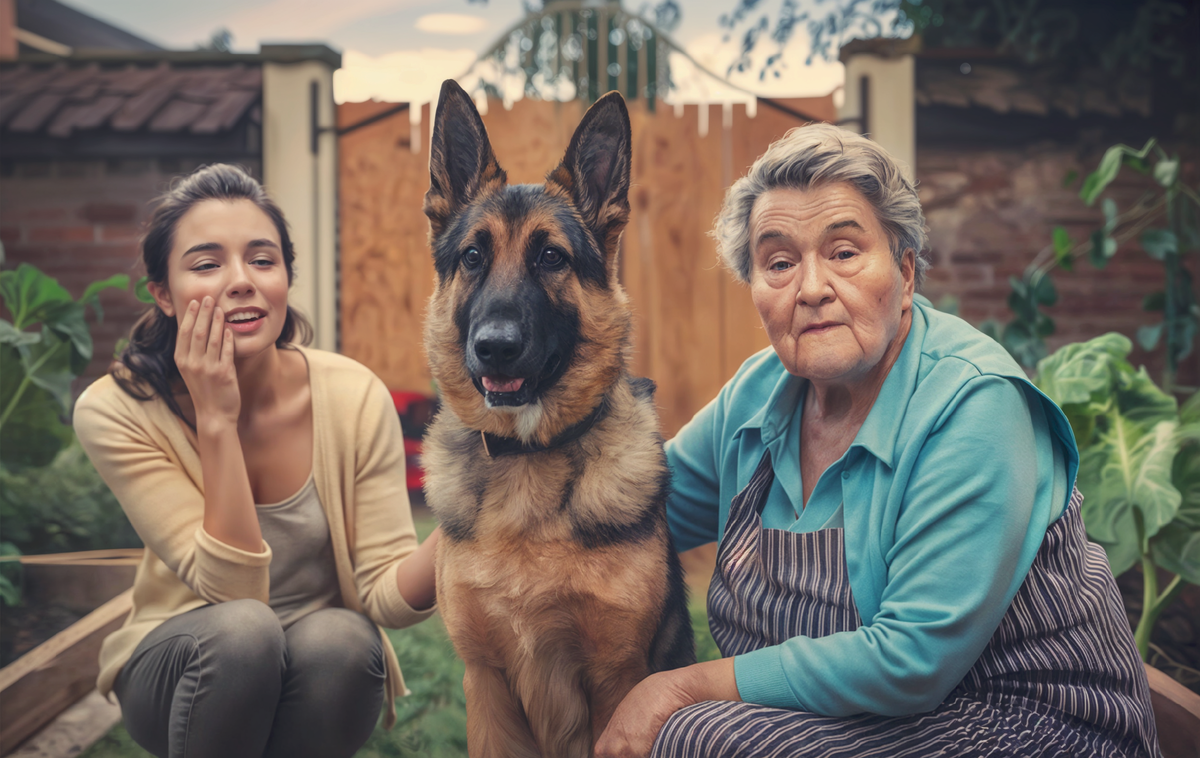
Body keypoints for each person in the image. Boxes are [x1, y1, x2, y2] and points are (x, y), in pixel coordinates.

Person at [594, 124, 1159, 758]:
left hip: (1026, 721)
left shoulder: (975, 405)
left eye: (843, 252)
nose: (811, 288)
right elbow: (627, 513)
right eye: (779, 263)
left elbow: (911, 659)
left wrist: (678, 687)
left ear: (906, 273)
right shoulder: (757, 394)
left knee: (698, 734)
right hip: (862, 724)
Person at [74, 164, 440, 758]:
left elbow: (384, 597)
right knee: (246, 630)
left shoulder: (352, 394)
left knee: (347, 638)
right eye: (207, 264)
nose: (241, 281)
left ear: (285, 278)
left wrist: (473, 514)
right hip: (182, 661)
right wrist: (216, 419)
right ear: (163, 295)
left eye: (263, 260)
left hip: (315, 663)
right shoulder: (116, 410)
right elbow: (234, 591)